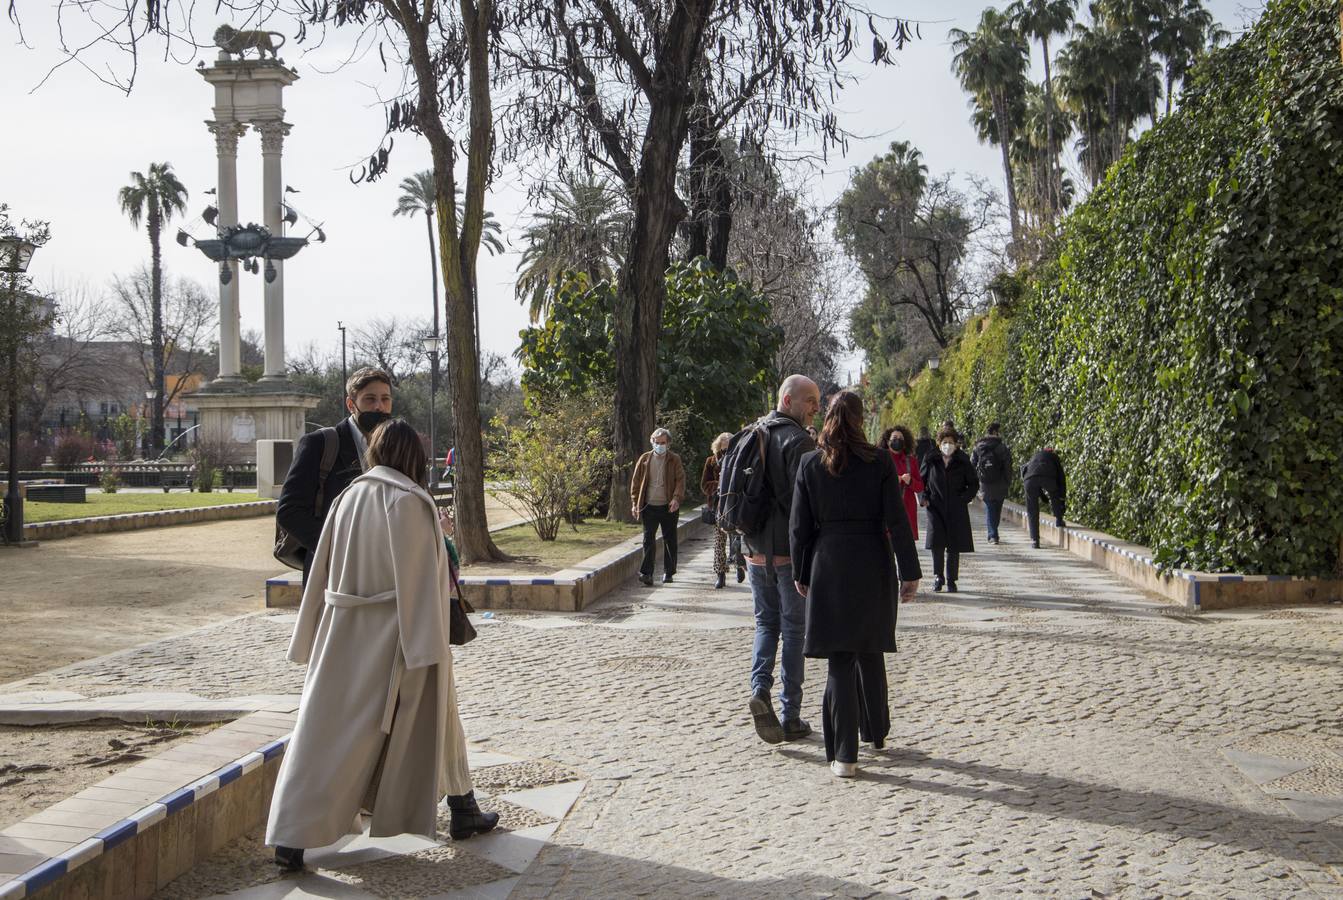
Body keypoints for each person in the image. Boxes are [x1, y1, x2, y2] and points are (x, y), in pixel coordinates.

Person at [266, 419, 497, 871]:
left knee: (324, 733)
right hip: (394, 641)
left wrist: (310, 631)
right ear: (412, 455)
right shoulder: (410, 501)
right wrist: (428, 653)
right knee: (356, 738)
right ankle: (292, 834)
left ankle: (463, 807)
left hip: (340, 633)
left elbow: (321, 570)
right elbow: (421, 585)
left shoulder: (348, 496)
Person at [791, 391, 921, 777]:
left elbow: (799, 529)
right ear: (863, 420)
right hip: (871, 561)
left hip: (828, 564)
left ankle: (845, 755)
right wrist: (909, 572)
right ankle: (876, 730)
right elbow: (896, 521)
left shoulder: (809, 464)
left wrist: (801, 572)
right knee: (869, 647)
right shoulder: (879, 461)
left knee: (840, 659)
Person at [745, 375, 820, 745]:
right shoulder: (799, 441)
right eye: (810, 401)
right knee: (793, 631)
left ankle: (759, 688)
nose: (816, 409)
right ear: (788, 400)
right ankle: (790, 715)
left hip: (755, 552)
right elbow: (805, 504)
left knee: (765, 625)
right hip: (788, 554)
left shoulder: (754, 433)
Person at [277, 367, 393, 584]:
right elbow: (289, 512)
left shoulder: (394, 447)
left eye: (385, 399)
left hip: (381, 573)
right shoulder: (320, 444)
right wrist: (338, 548)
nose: (379, 406)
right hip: (330, 574)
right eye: (370, 399)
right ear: (351, 404)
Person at [920, 426, 979, 593]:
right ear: (939, 444)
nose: (948, 445)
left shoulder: (963, 460)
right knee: (936, 544)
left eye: (951, 442)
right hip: (935, 507)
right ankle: (938, 576)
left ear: (956, 444)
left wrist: (964, 499)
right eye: (944, 442)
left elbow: (973, 484)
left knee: (954, 545)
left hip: (956, 508)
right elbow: (922, 480)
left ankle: (952, 579)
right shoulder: (931, 459)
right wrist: (924, 498)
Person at [631, 427, 685, 585]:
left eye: (663, 442)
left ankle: (669, 572)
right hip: (649, 506)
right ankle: (646, 574)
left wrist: (676, 498)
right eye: (657, 442)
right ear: (652, 442)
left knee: (670, 539)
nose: (659, 445)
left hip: (668, 506)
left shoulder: (674, 459)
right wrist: (635, 503)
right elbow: (635, 482)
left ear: (668, 443)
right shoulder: (645, 459)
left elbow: (680, 480)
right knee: (648, 539)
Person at [701, 432, 744, 589]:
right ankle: (720, 574)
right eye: (723, 448)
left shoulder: (739, 460)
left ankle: (739, 564)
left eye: (729, 447)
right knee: (719, 541)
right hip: (719, 505)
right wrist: (719, 484)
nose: (726, 451)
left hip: (735, 505)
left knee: (738, 538)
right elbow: (704, 485)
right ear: (718, 447)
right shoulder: (711, 462)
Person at [878, 425, 924, 541]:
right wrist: (894, 479)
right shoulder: (881, 460)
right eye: (894, 437)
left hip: (906, 511)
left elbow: (920, 487)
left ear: (905, 442)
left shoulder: (912, 461)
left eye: (900, 438)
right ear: (888, 441)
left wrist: (910, 481)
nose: (897, 440)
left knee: (905, 553)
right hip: (886, 510)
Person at [971, 423, 1013, 545]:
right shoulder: (1002, 447)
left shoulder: (978, 447)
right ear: (995, 432)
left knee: (990, 507)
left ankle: (993, 534)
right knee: (997, 508)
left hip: (985, 483)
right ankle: (993, 534)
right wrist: (1007, 481)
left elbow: (972, 465)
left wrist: (975, 481)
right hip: (1000, 483)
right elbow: (1008, 466)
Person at [1022, 447, 1067, 549]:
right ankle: (1059, 520)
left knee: (1032, 509)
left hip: (1029, 479)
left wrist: (1043, 497)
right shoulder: (1054, 457)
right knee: (1054, 493)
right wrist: (1062, 499)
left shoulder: (1034, 457)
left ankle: (1034, 540)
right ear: (1052, 452)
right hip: (1047, 478)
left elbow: (1035, 477)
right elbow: (1061, 480)